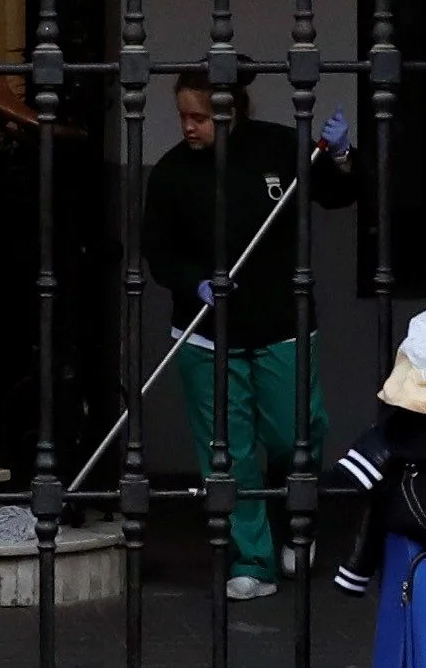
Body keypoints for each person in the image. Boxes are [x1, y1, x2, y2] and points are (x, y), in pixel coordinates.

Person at [135, 72, 352, 600]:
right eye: (184, 116)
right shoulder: (170, 174)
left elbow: (339, 194)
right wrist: (194, 282)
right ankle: (250, 557)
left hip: (281, 324)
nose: (189, 127)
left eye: (201, 118)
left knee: (296, 433)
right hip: (206, 332)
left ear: (233, 113)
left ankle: (296, 521)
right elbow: (158, 251)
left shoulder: (282, 147)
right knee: (226, 453)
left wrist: (341, 156)